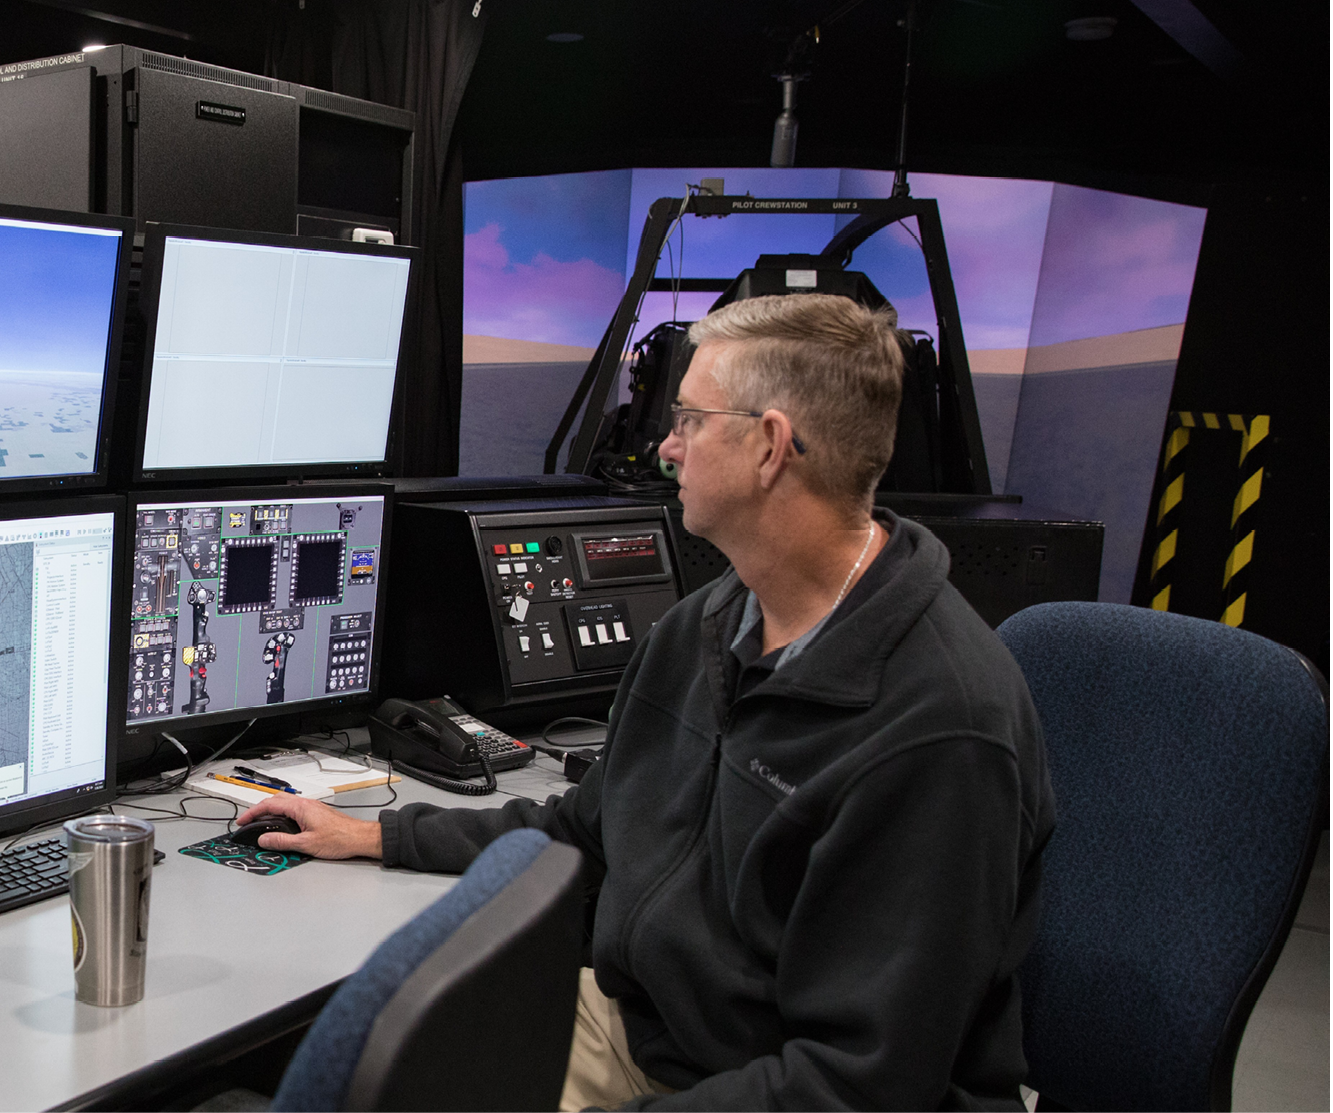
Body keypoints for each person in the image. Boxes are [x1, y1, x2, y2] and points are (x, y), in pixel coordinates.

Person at [241, 294, 1055, 1112]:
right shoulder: (709, 624)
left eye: (690, 420)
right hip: (650, 1031)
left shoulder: (939, 730)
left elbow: (856, 1084)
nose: (666, 446)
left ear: (769, 446)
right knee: (380, 1065)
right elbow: (585, 829)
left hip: (777, 1088)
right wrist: (377, 832)